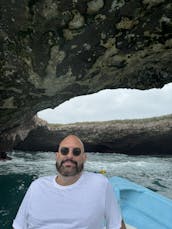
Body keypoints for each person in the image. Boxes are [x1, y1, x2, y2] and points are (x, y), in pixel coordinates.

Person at [13, 135, 126, 229]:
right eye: (64, 151)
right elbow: (18, 226)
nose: (70, 156)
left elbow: (116, 225)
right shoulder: (37, 186)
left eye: (76, 152)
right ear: (57, 156)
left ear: (84, 158)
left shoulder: (100, 184)